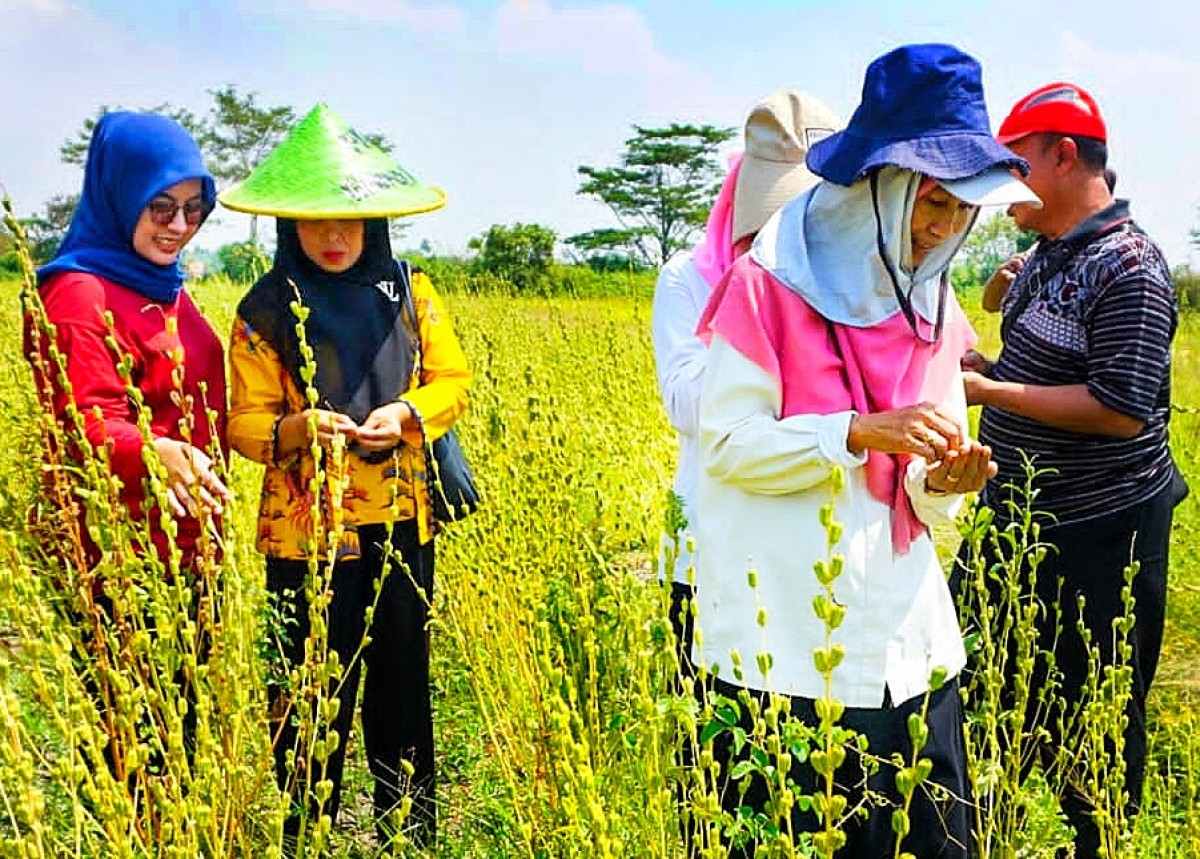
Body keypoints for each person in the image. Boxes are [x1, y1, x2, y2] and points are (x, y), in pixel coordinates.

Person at [692, 44, 1039, 857]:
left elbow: (925, 473)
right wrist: (851, 430)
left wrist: (944, 482)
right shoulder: (765, 285)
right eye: (932, 201)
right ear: (879, 185)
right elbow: (729, 446)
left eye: (962, 211)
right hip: (787, 651)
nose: (943, 228)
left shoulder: (933, 299)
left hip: (909, 644)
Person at [221, 104, 470, 852]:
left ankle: (410, 833)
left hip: (400, 520)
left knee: (402, 683)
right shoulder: (263, 311)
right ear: (288, 226)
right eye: (315, 222)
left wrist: (407, 413)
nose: (332, 238)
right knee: (307, 696)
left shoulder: (410, 291)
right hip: (307, 538)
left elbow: (452, 379)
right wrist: (297, 432)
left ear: (374, 223)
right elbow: (242, 423)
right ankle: (308, 835)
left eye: (348, 222)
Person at [958, 82, 1185, 858]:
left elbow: (1120, 405)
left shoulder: (1132, 267)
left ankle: (1104, 842)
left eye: (1013, 165)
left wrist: (990, 390)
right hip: (1016, 513)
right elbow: (1038, 359)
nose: (1000, 188)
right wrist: (988, 365)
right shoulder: (1051, 252)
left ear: (1063, 156)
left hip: (1103, 527)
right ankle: (991, 832)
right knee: (977, 682)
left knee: (1097, 705)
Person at [24, 111, 228, 783]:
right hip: (123, 561)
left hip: (189, 552)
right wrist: (156, 451)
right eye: (161, 206)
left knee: (183, 751)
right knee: (136, 760)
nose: (178, 226)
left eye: (194, 210)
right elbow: (82, 419)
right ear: (119, 195)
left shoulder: (161, 285)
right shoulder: (79, 292)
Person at [652, 89, 841, 670]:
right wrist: (749, 307)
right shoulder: (687, 277)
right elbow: (688, 406)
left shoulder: (842, 284)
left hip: (810, 541)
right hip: (710, 536)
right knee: (710, 725)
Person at [977, 166, 1118, 315]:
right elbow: (990, 305)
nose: (1009, 212)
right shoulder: (1037, 252)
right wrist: (1002, 278)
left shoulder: (1112, 264)